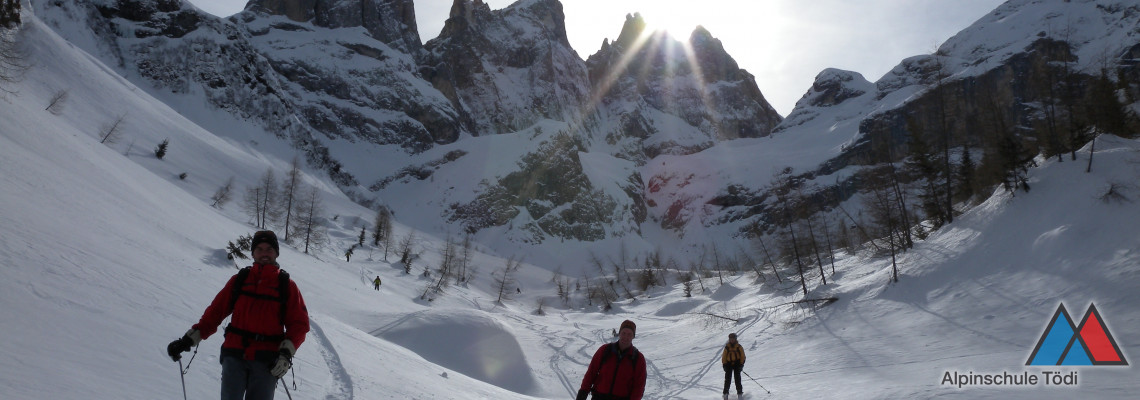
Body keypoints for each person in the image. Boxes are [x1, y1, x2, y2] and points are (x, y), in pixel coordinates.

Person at [167, 230, 310, 400]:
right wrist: (188, 340)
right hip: (234, 354)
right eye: (260, 249)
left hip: (267, 360)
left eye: (269, 249)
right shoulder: (240, 280)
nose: (264, 253)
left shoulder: (286, 285)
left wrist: (286, 354)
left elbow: (299, 324)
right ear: (253, 253)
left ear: (276, 253)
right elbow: (215, 313)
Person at [577, 320, 647, 400]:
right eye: (623, 333)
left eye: (629, 334)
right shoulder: (605, 350)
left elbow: (639, 386)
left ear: (633, 336)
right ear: (619, 333)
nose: (626, 337)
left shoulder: (638, 358)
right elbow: (591, 373)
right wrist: (583, 393)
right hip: (599, 397)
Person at [721, 333, 746, 399]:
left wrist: (741, 364)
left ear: (735, 339)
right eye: (730, 339)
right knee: (727, 379)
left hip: (737, 364)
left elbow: (742, 356)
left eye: (733, 339)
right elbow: (724, 356)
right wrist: (724, 364)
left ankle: (739, 393)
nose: (732, 340)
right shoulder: (727, 347)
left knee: (737, 379)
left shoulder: (739, 347)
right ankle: (725, 394)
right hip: (728, 364)